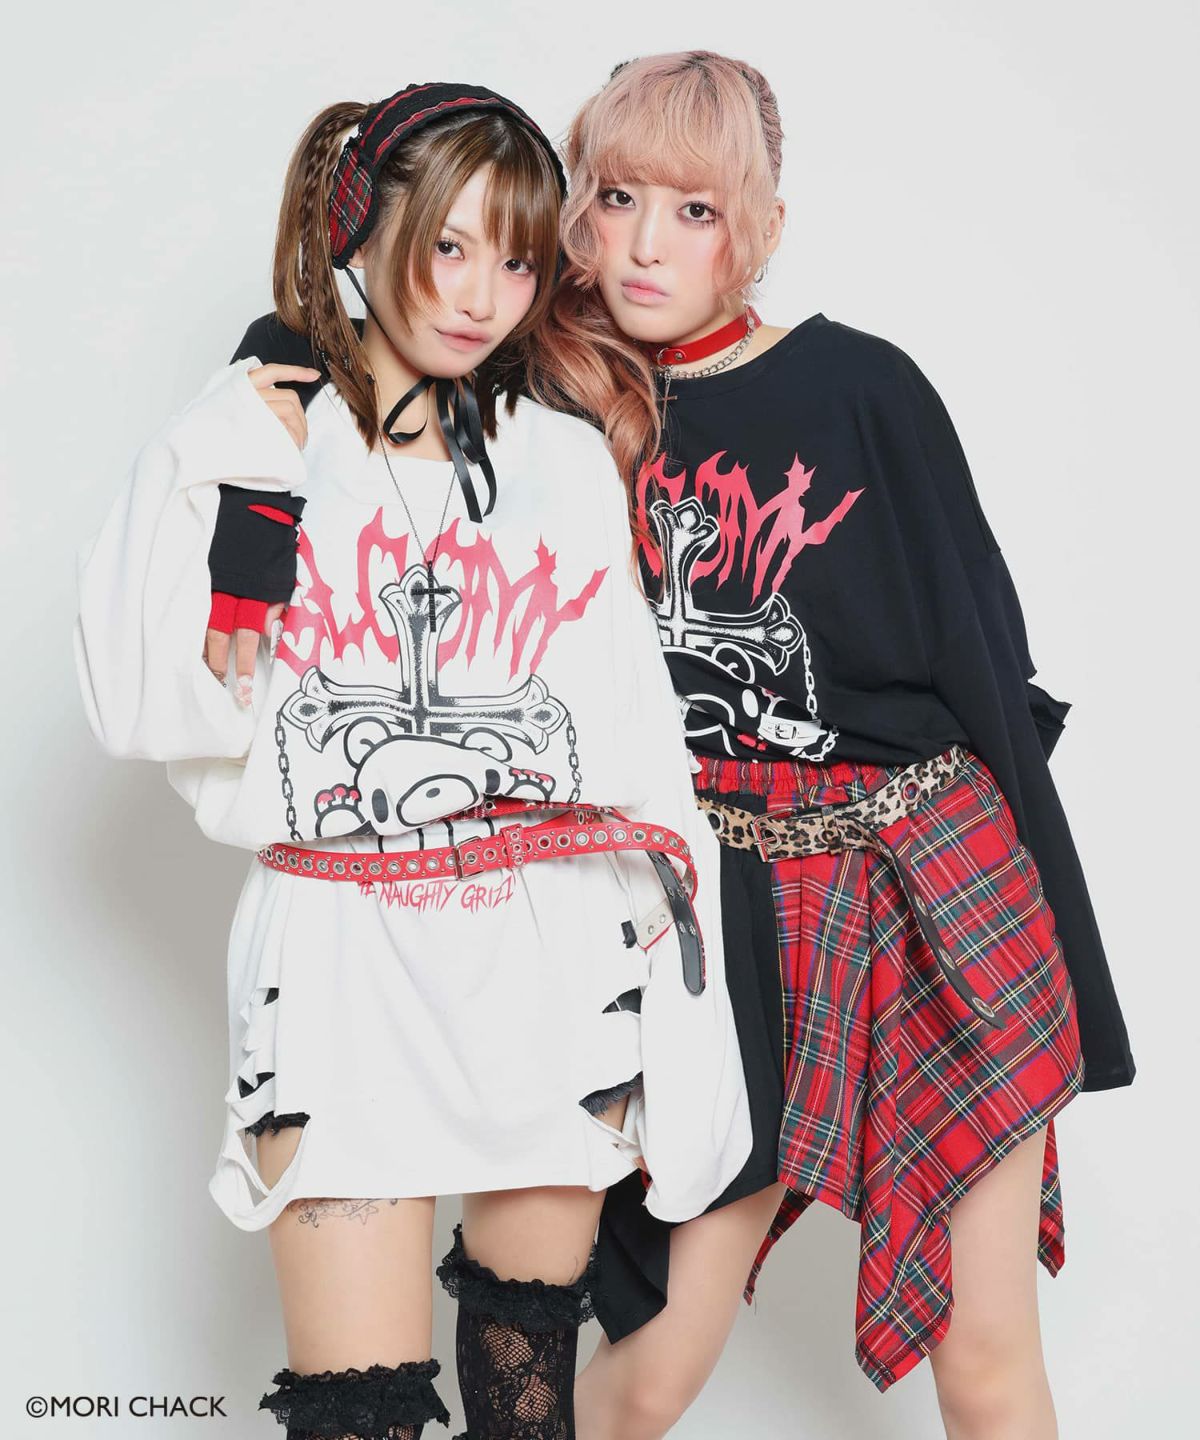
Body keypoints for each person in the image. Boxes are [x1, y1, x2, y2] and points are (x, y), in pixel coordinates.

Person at [73, 81, 750, 1440]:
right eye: (449, 246)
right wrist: (223, 454)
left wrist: (689, 1013)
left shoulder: (563, 462)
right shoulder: (263, 442)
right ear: (359, 225)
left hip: (549, 959)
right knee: (357, 1416)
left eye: (518, 259)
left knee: (525, 1404)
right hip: (340, 969)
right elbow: (143, 704)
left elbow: (639, 758)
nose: (484, 296)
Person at [557, 52, 1136, 1440]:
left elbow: (985, 667)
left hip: (934, 879)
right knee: (650, 1369)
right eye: (619, 199)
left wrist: (1072, 962)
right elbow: (365, 341)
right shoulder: (556, 414)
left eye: (694, 210)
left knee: (984, 1358)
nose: (647, 245)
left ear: (757, 224)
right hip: (728, 910)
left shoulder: (865, 389)